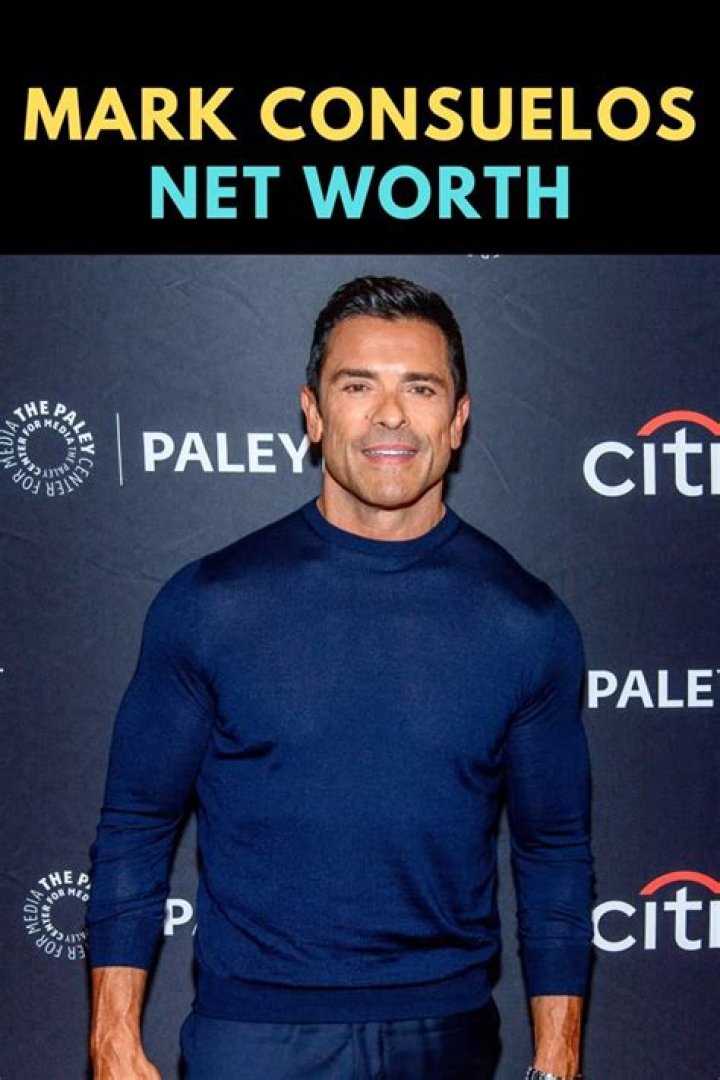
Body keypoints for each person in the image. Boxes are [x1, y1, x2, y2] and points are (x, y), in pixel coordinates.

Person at [87, 275, 593, 1080]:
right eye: (358, 386)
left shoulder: (525, 621)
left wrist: (558, 1059)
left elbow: (554, 849)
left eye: (420, 388)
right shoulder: (212, 603)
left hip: (448, 1034)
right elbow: (136, 824)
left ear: (458, 419)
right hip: (250, 1034)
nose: (390, 414)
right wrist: (113, 1040)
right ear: (314, 413)